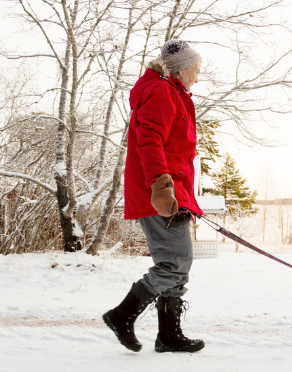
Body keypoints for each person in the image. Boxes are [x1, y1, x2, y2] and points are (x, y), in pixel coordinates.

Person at [102, 39, 205, 353]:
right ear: (181, 68)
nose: (198, 77)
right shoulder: (161, 91)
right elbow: (149, 142)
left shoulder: (172, 93)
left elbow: (175, 152)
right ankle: (122, 316)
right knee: (174, 262)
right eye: (196, 70)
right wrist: (160, 186)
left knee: (178, 263)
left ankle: (168, 336)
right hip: (159, 191)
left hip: (172, 190)